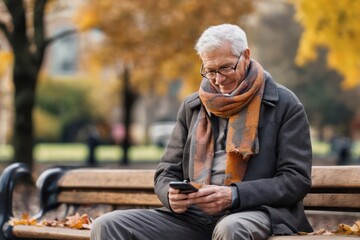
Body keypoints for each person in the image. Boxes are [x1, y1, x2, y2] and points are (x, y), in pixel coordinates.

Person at [91, 23, 313, 240]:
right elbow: (166, 171)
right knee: (108, 225)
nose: (218, 79)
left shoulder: (284, 104)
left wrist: (234, 195)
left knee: (231, 228)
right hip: (195, 217)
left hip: (256, 212)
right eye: (210, 71)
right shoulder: (193, 106)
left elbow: (295, 180)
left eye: (226, 67)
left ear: (245, 56)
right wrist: (170, 194)